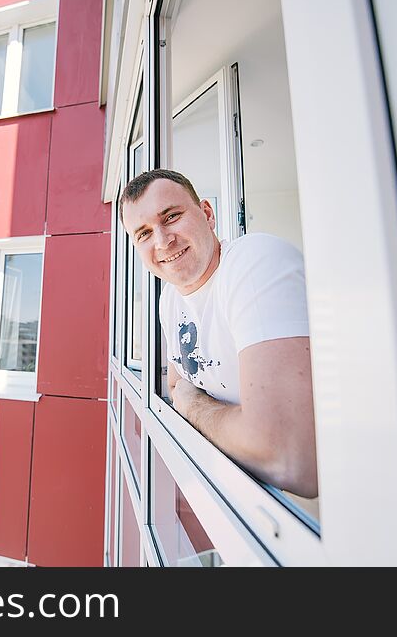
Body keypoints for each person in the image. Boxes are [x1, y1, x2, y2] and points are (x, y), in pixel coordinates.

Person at [120, 169, 318, 499]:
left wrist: (194, 405)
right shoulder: (170, 297)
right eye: (143, 234)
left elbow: (288, 458)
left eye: (171, 216)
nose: (162, 240)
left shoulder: (255, 263)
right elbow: (175, 382)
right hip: (243, 506)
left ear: (207, 214)